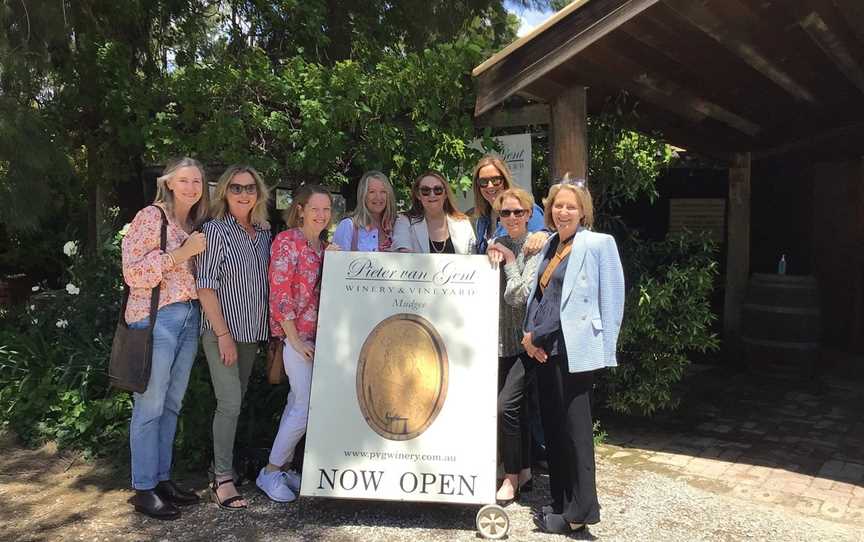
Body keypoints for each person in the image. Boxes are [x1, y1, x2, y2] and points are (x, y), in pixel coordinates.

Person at [521, 177, 625, 534]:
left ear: (583, 211)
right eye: (557, 205)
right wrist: (528, 335)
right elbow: (540, 296)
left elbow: (613, 298)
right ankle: (562, 501)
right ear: (549, 210)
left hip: (575, 350)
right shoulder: (550, 243)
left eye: (570, 206)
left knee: (577, 431)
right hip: (545, 349)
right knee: (553, 427)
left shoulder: (598, 244)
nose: (563, 211)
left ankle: (582, 511)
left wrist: (605, 348)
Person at [122, 157, 209, 520]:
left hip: (188, 317)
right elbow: (133, 274)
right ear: (169, 182)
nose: (191, 187)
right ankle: (143, 489)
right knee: (150, 405)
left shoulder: (191, 222)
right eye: (184, 180)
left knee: (171, 404)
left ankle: (160, 479)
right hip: (157, 319)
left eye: (197, 182)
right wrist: (180, 254)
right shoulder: (150, 217)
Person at [196, 165, 272, 510]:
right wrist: (223, 335)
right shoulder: (214, 231)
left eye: (250, 188)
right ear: (225, 192)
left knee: (236, 403)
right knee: (229, 403)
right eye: (237, 188)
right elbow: (205, 288)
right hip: (221, 332)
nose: (244, 194)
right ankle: (222, 480)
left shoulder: (263, 233)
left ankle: (221, 465)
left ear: (259, 193)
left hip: (250, 334)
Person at [258, 184, 334, 503]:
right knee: (304, 407)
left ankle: (284, 468)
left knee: (296, 403)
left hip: (320, 339)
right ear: (300, 209)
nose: (321, 215)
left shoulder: (325, 248)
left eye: (326, 210)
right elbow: (280, 293)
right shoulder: (287, 242)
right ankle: (271, 471)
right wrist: (294, 339)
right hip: (296, 340)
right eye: (315, 209)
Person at [486, 188, 543, 506]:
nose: (512, 218)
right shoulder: (496, 245)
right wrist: (492, 256)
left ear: (528, 213)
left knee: (505, 407)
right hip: (498, 344)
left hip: (526, 345)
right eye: (505, 213)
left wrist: (508, 261)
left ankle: (509, 478)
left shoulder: (538, 245)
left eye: (518, 212)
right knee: (516, 411)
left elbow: (519, 296)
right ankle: (523, 471)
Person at [471, 154, 547, 255]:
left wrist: (542, 234)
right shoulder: (482, 220)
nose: (490, 186)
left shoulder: (525, 209)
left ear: (505, 181)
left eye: (495, 180)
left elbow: (546, 239)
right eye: (483, 181)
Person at [392, 170, 476, 254]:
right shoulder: (404, 222)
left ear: (445, 193)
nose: (432, 195)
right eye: (425, 190)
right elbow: (403, 258)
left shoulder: (463, 223)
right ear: (418, 195)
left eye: (438, 190)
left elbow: (473, 258)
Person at [332, 170, 397, 252]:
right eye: (372, 192)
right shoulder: (349, 226)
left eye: (383, 192)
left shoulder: (396, 226)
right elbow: (337, 262)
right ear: (363, 195)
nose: (378, 197)